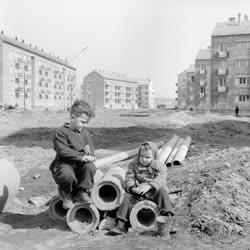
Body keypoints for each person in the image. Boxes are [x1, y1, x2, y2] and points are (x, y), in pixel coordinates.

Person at [109, 141, 175, 235]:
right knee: (126, 197)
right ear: (138, 155)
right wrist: (132, 187)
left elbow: (161, 179)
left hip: (153, 192)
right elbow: (129, 177)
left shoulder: (160, 166)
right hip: (138, 192)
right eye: (142, 156)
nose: (144, 159)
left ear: (154, 157)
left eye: (148, 157)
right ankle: (120, 224)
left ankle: (167, 221)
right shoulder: (133, 165)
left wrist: (149, 186)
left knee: (163, 193)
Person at [49, 100, 96, 209]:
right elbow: (63, 151)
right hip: (64, 164)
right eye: (82, 122)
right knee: (67, 175)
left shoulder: (84, 133)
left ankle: (81, 192)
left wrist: (91, 155)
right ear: (73, 117)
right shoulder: (61, 132)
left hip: (79, 166)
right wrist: (81, 157)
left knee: (90, 167)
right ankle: (66, 194)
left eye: (86, 123)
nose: (84, 125)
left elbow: (90, 147)